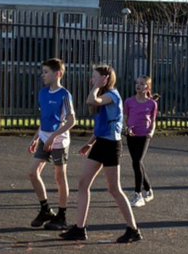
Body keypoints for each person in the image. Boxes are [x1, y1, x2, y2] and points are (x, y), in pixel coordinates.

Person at [60, 66, 142, 243]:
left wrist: (97, 86)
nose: (92, 80)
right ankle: (80, 228)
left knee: (114, 189)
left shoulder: (111, 95)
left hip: (111, 146)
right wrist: (90, 143)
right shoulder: (106, 95)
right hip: (101, 143)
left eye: (95, 77)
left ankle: (133, 230)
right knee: (83, 184)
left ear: (105, 79)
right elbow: (102, 125)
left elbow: (91, 100)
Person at [28, 57, 76, 230]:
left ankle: (62, 216)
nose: (43, 75)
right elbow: (45, 119)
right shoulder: (43, 93)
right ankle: (45, 210)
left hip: (59, 141)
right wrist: (36, 137)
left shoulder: (64, 95)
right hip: (44, 137)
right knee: (33, 173)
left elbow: (71, 121)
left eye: (46, 72)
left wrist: (53, 137)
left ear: (58, 74)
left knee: (59, 177)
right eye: (43, 72)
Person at [125, 75, 159, 206]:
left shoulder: (152, 104)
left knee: (137, 161)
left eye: (142, 84)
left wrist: (151, 132)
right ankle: (149, 189)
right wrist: (126, 128)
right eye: (137, 83)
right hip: (131, 135)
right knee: (137, 163)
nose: (138, 86)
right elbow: (126, 118)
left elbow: (153, 121)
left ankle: (138, 194)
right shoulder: (129, 101)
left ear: (148, 87)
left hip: (144, 135)